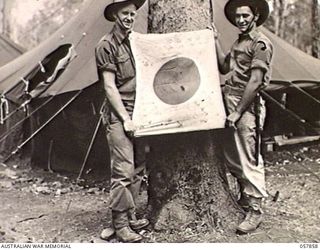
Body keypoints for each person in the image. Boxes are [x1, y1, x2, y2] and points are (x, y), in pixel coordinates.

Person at [212, 0, 273, 233]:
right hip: (229, 99)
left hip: (248, 105)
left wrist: (238, 111)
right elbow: (224, 66)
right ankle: (245, 198)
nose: (241, 20)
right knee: (231, 156)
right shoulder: (240, 41)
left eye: (245, 16)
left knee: (250, 157)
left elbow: (256, 81)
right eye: (238, 16)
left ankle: (256, 210)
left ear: (255, 16)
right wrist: (215, 41)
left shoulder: (260, 43)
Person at [95, 0, 149, 243]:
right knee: (123, 171)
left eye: (132, 13)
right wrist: (125, 119)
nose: (129, 17)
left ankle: (130, 216)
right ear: (115, 14)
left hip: (140, 111)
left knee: (138, 168)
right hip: (120, 114)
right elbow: (109, 86)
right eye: (125, 13)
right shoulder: (106, 45)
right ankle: (119, 226)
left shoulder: (135, 41)